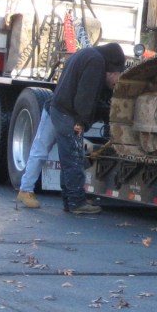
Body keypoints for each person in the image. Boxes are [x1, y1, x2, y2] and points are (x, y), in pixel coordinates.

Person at [43, 42, 127, 215]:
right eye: (118, 78)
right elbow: (85, 95)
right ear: (112, 71)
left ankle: (69, 199)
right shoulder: (96, 62)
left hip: (60, 110)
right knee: (74, 159)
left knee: (68, 159)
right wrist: (81, 121)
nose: (116, 84)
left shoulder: (86, 54)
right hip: (69, 115)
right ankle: (77, 202)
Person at [15, 105, 55, 208]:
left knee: (71, 155)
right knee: (40, 151)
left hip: (68, 114)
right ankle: (25, 190)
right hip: (57, 111)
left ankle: (75, 196)